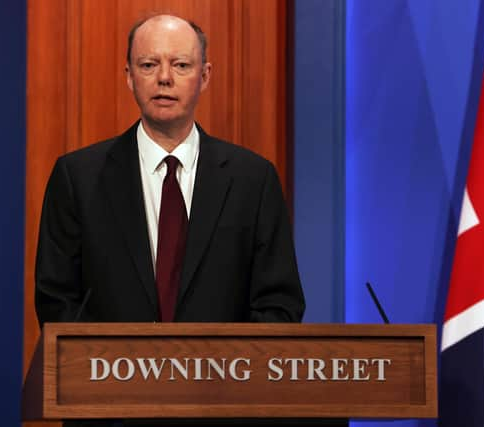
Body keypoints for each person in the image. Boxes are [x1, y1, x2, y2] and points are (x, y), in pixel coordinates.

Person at [35, 14, 304, 328]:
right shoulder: (78, 178)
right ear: (129, 76)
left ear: (204, 76)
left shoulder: (254, 181)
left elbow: (279, 305)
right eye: (149, 65)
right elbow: (57, 303)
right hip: (110, 374)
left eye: (181, 65)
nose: (164, 78)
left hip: (222, 375)